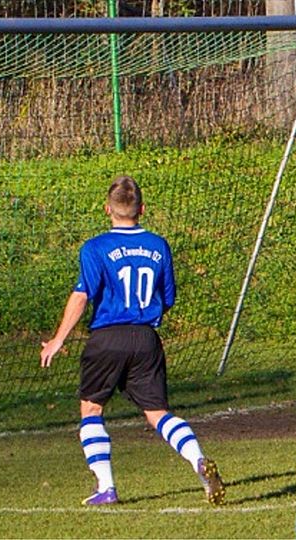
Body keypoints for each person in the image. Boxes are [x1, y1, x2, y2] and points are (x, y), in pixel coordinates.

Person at [39, 176, 225, 506]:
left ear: (107, 209)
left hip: (107, 337)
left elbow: (82, 295)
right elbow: (167, 298)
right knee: (157, 413)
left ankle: (106, 487)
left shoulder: (95, 247)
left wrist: (58, 339)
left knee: (91, 409)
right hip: (146, 338)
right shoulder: (158, 245)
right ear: (142, 209)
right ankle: (198, 459)